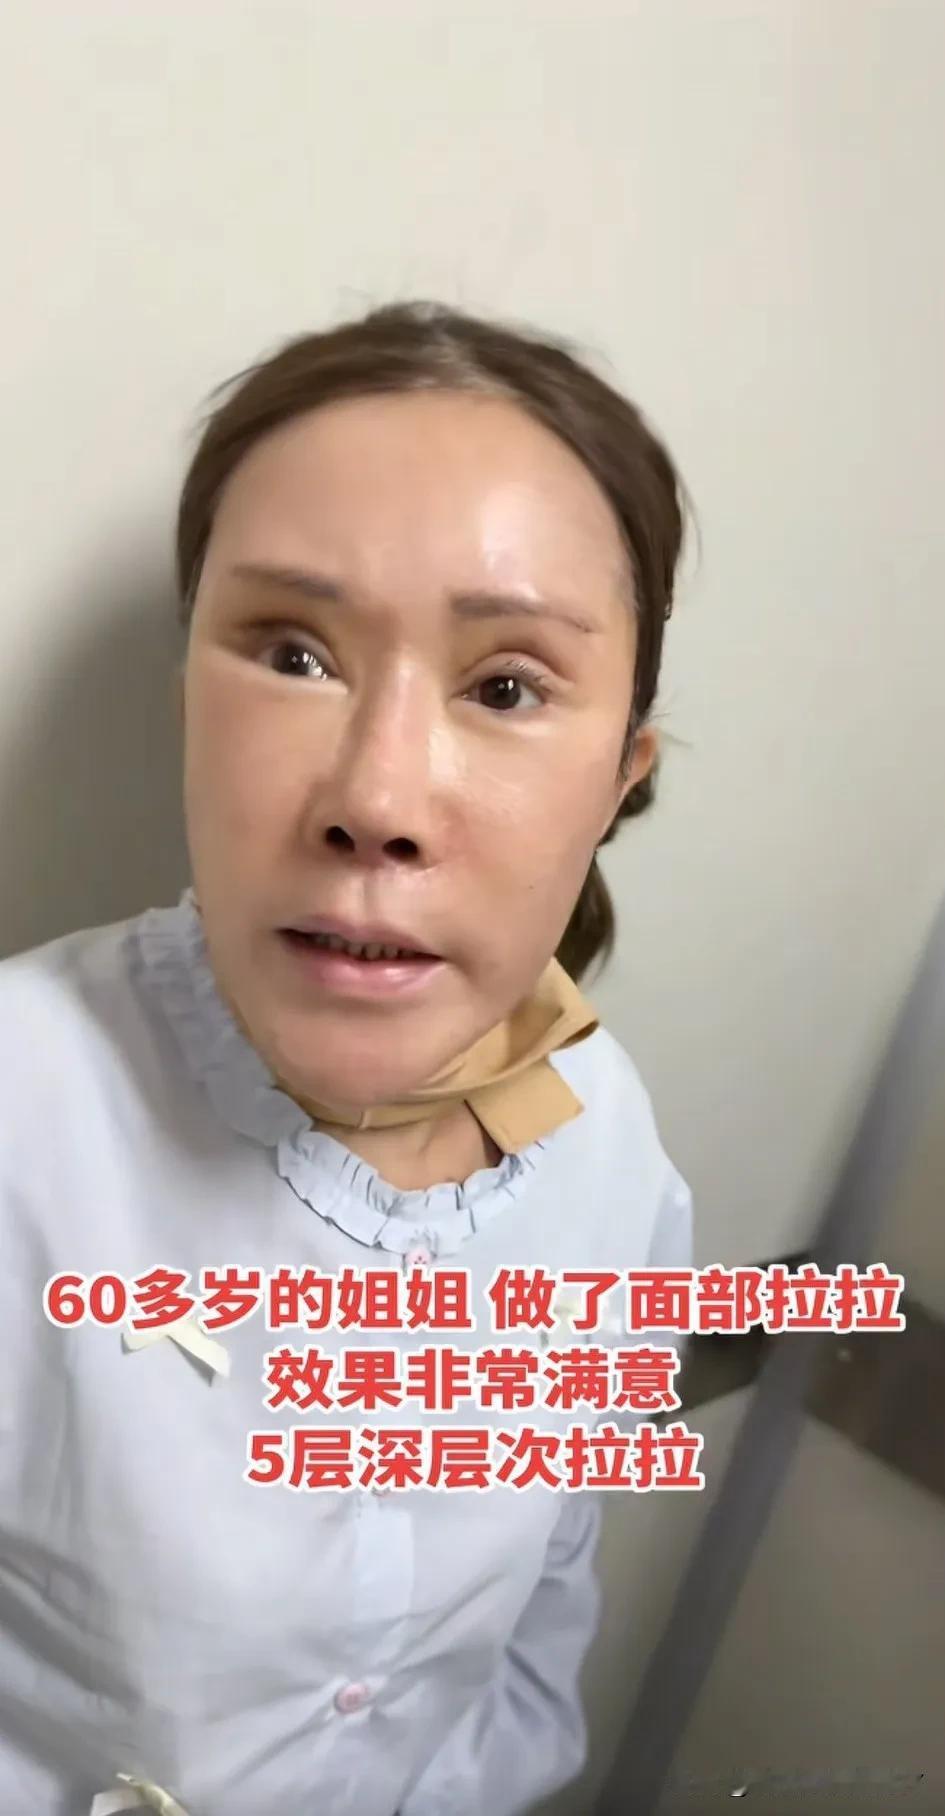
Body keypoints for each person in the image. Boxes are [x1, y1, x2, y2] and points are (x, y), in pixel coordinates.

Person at [0, 300, 693, 1816]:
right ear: (189, 700)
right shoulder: (21, 1114)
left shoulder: (611, 1143)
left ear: (615, 779)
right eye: (294, 654)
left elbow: (542, 1610)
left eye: (505, 686)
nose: (375, 799)